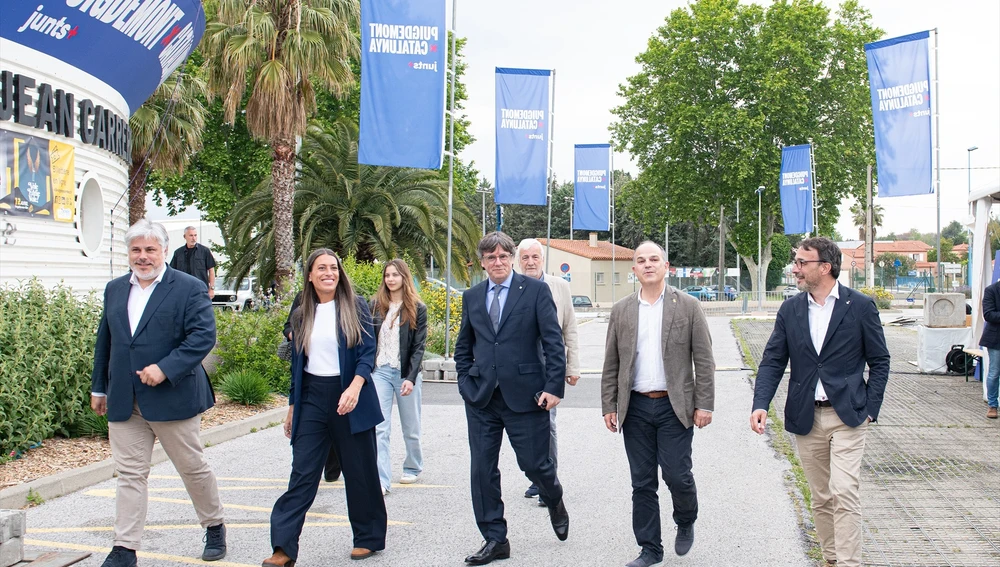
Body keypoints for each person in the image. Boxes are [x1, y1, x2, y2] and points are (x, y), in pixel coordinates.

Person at [90, 218, 226, 567]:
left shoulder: (188, 287)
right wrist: (99, 387)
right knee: (130, 475)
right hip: (125, 399)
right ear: (129, 253)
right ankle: (125, 548)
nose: (143, 256)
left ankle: (214, 525)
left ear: (164, 250)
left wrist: (165, 368)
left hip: (173, 396)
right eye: (136, 250)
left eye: (150, 249)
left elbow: (202, 337)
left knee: (192, 468)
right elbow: (106, 342)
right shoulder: (115, 289)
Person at [751, 237, 890, 567]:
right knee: (822, 497)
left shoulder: (860, 306)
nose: (795, 268)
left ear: (824, 268)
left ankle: (848, 563)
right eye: (795, 262)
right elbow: (772, 360)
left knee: (844, 491)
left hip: (848, 416)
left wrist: (870, 408)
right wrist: (760, 403)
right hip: (806, 417)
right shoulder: (790, 309)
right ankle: (831, 558)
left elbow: (880, 360)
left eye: (802, 262)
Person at [264, 249, 386, 566]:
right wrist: (292, 406)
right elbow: (297, 365)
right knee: (302, 473)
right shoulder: (302, 309)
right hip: (312, 397)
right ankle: (284, 548)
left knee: (360, 471)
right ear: (310, 275)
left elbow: (367, 352)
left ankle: (368, 537)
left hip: (350, 394)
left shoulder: (354, 305)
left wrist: (355, 387)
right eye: (321, 268)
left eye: (333, 267)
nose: (328, 272)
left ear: (339, 273)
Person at [454, 231, 570, 565]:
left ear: (512, 258)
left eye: (504, 256)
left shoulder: (535, 291)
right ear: (482, 262)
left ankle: (554, 497)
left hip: (526, 396)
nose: (498, 262)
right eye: (491, 257)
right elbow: (465, 346)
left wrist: (553, 387)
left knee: (536, 465)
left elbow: (552, 342)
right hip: (482, 399)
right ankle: (495, 539)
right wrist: (465, 382)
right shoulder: (472, 296)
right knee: (482, 470)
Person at [601, 241, 715, 567]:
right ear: (633, 269)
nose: (648, 264)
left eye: (654, 259)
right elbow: (611, 363)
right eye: (641, 260)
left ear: (666, 266)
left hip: (673, 407)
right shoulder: (622, 310)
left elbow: (704, 361)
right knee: (642, 482)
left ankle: (686, 517)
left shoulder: (688, 306)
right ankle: (650, 549)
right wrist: (609, 404)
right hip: (634, 407)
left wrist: (704, 404)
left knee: (677, 475)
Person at [516, 238, 580, 507]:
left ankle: (548, 479)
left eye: (535, 257)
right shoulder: (512, 287)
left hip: (549, 363)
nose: (530, 262)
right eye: (525, 258)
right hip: (521, 366)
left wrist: (572, 367)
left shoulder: (559, 286)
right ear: (518, 261)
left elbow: (570, 328)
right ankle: (537, 476)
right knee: (525, 425)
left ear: (542, 259)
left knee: (547, 422)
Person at [370, 259, 428, 494]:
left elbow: (418, 347)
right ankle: (381, 480)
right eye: (387, 275)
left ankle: (413, 467)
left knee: (410, 426)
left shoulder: (417, 307)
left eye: (395, 275)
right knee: (379, 427)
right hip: (380, 371)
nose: (390, 279)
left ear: (404, 277)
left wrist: (410, 378)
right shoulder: (375, 305)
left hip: (405, 373)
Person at [283, 292, 342, 482]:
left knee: (336, 426)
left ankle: (333, 468)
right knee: (311, 435)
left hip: (338, 380)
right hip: (309, 377)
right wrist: (296, 334)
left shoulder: (345, 302)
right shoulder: (302, 299)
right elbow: (288, 326)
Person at [168, 226, 217, 299]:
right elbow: (172, 272)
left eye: (195, 235)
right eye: (191, 235)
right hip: (182, 290)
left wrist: (211, 288)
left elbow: (211, 270)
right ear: (185, 236)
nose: (193, 238)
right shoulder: (178, 253)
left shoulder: (204, 251)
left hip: (200, 290)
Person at [977, 278, 1000, 419]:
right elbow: (988, 314)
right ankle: (992, 405)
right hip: (996, 339)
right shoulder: (991, 290)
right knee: (994, 372)